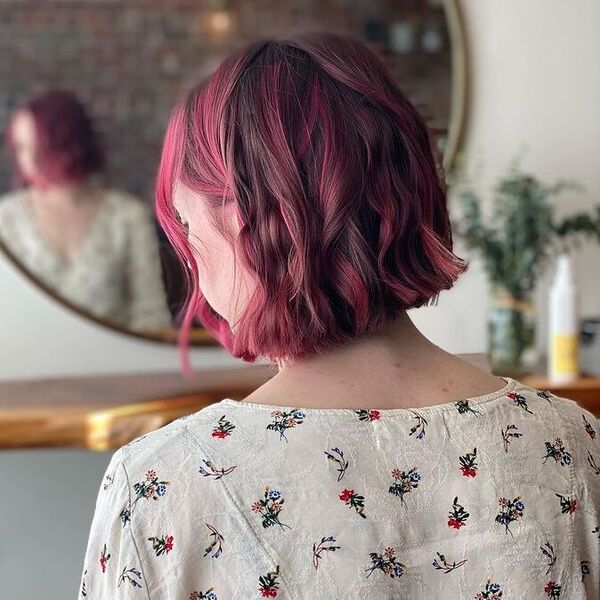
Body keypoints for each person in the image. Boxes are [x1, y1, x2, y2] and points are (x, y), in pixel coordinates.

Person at [79, 33, 600, 598]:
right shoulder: (574, 443)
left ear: (252, 219)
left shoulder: (164, 486)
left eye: (186, 222)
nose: (192, 257)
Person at [0, 90, 172, 331]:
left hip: (114, 365)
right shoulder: (6, 219)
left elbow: (151, 315)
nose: (31, 159)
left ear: (68, 142)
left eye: (41, 146)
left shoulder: (127, 217)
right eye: (21, 147)